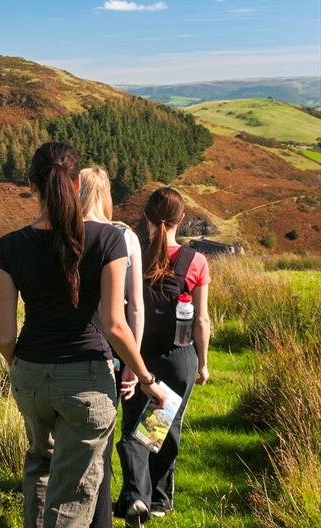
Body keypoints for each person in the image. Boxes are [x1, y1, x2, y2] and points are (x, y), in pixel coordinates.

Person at [0, 142, 166, 528]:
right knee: (73, 492)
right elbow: (114, 323)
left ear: (31, 186)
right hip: (87, 382)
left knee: (39, 465)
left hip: (31, 376)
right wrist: (146, 378)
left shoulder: (8, 247)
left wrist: (18, 368)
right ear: (76, 185)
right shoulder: (109, 240)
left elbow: (5, 335)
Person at [115, 187, 211, 526]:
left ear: (146, 217)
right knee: (161, 428)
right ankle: (155, 499)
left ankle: (137, 497)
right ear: (181, 219)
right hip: (178, 358)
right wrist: (202, 362)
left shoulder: (131, 254)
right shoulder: (195, 261)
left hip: (135, 355)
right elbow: (201, 319)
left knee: (136, 428)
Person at [78, 167, 145, 528]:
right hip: (112, 347)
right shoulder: (125, 237)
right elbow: (135, 305)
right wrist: (133, 364)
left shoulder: (64, 232)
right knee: (101, 446)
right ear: (106, 195)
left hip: (70, 344)